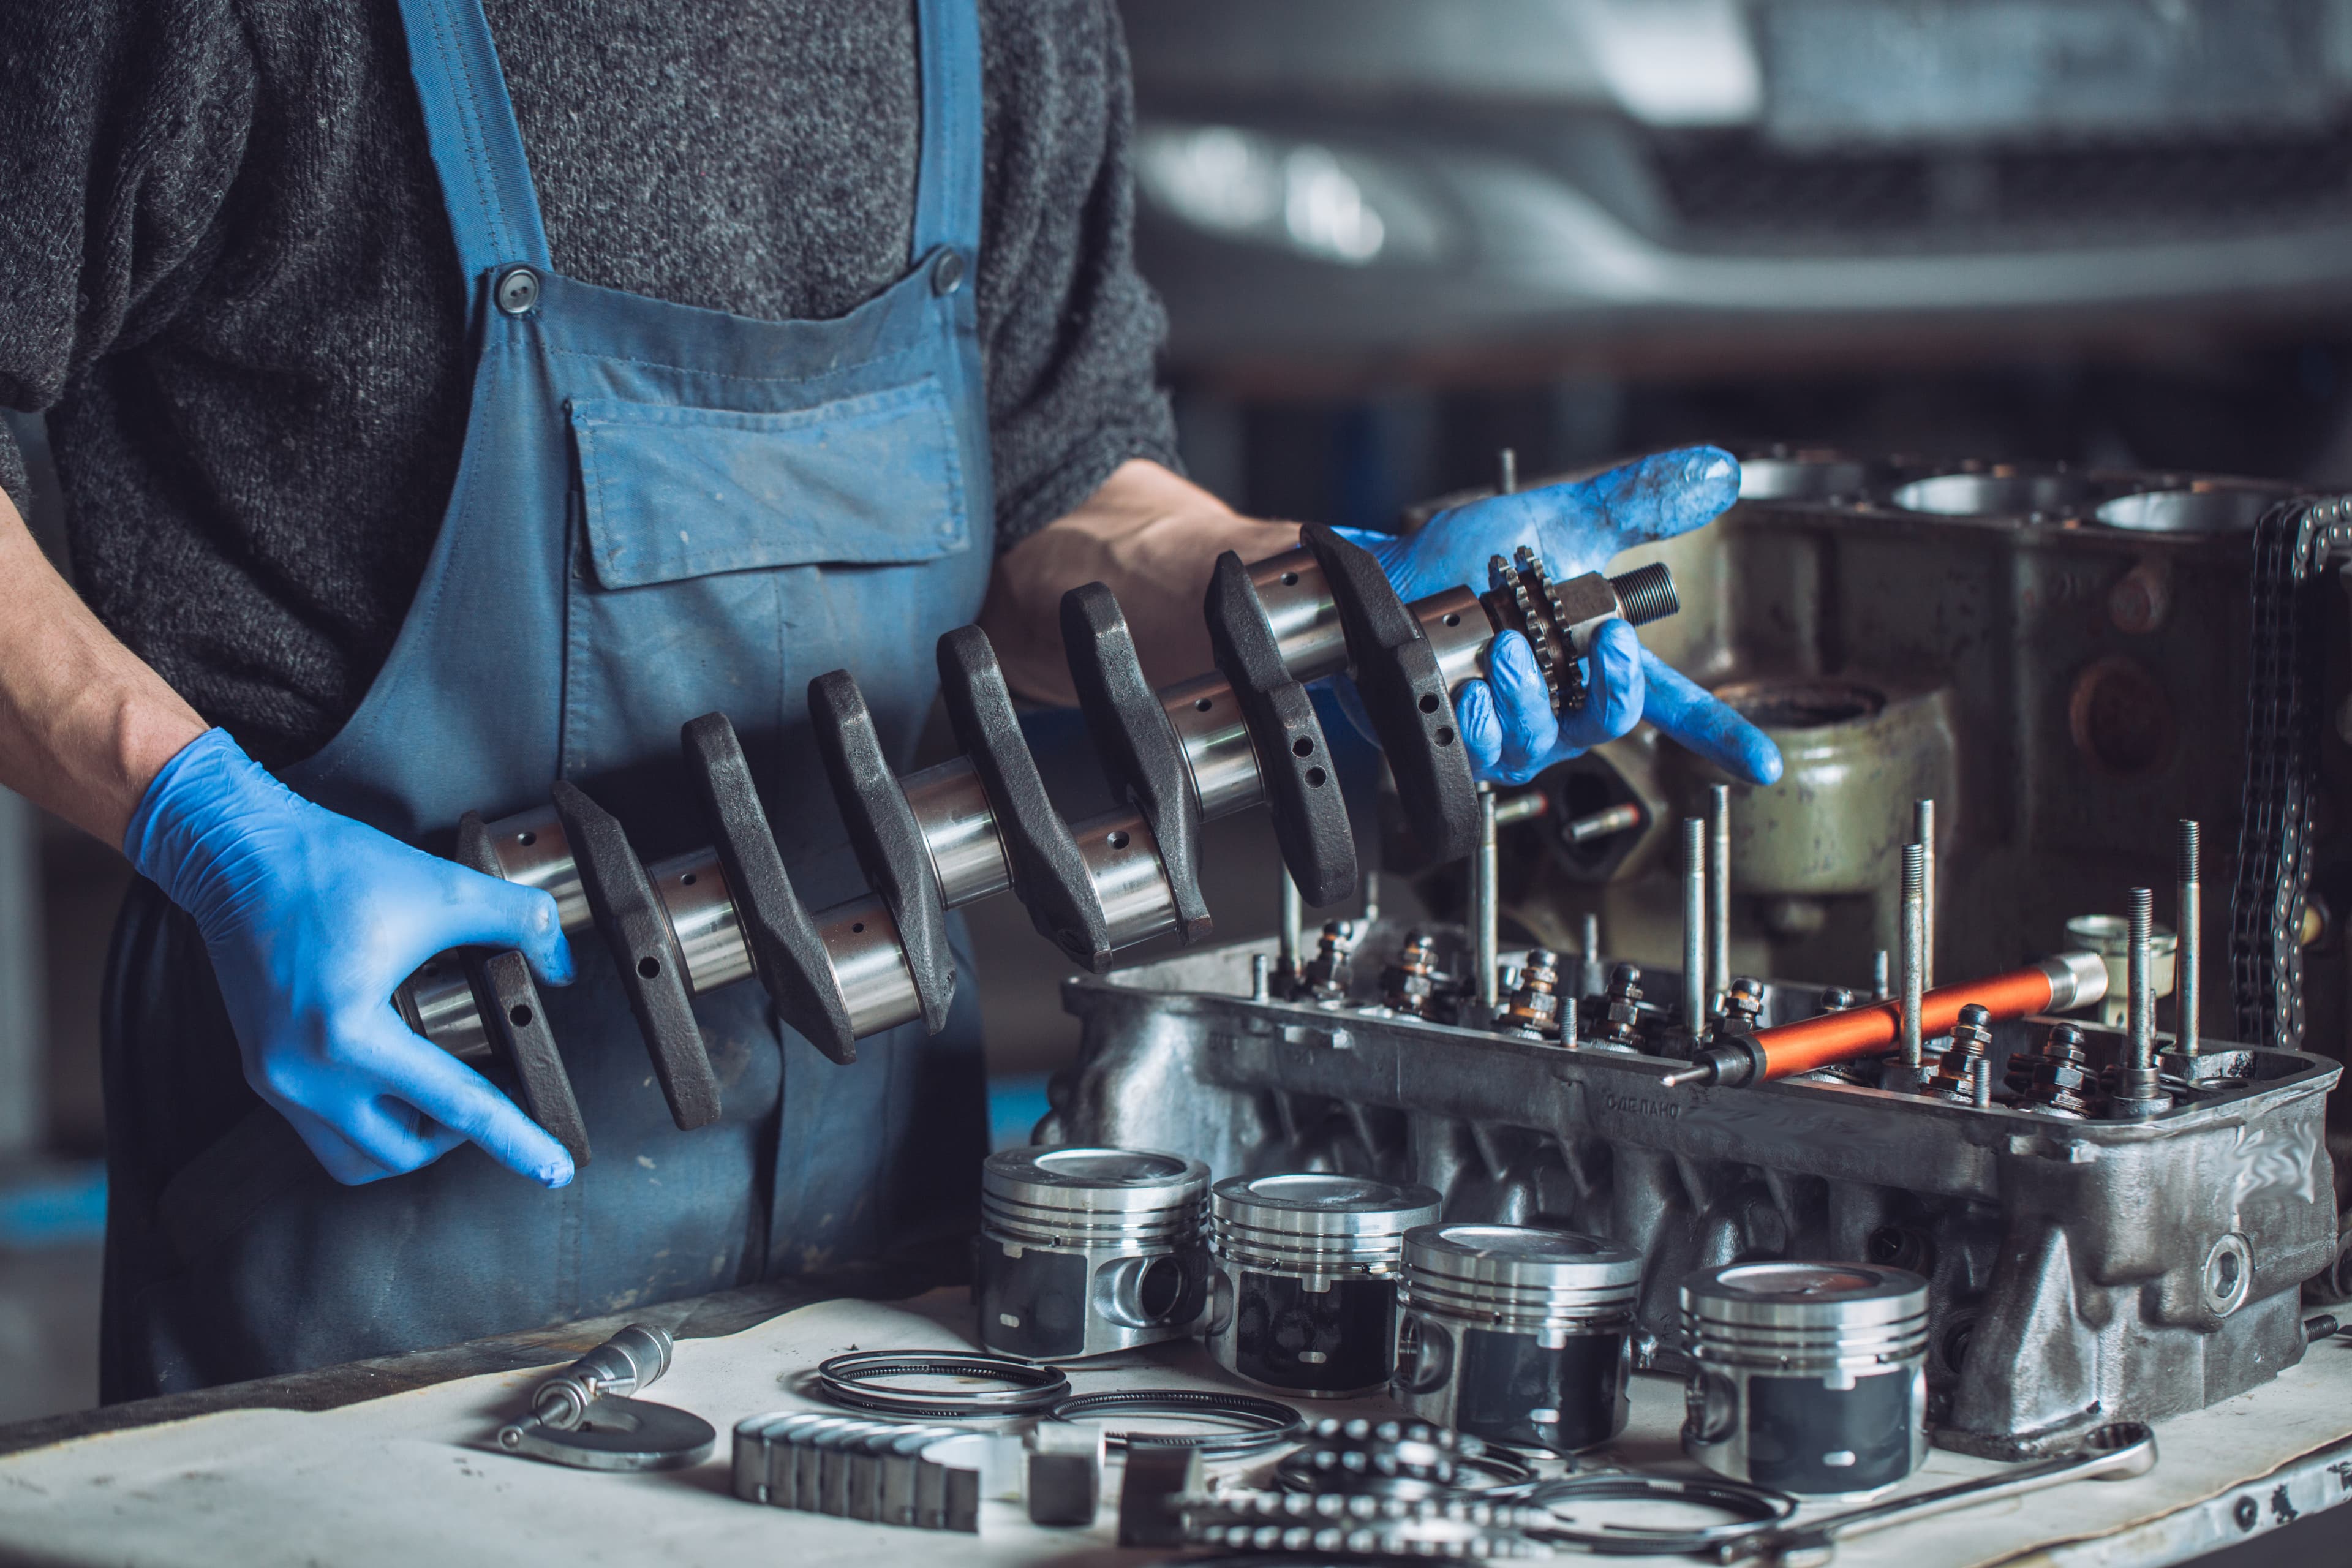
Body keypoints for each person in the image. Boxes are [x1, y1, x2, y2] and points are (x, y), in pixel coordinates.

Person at [0, 0, 1781, 1400]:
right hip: (364, 1232)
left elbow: (1061, 501)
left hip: (888, 1270)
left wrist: (1345, 595)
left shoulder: (991, 20)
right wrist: (197, 816)